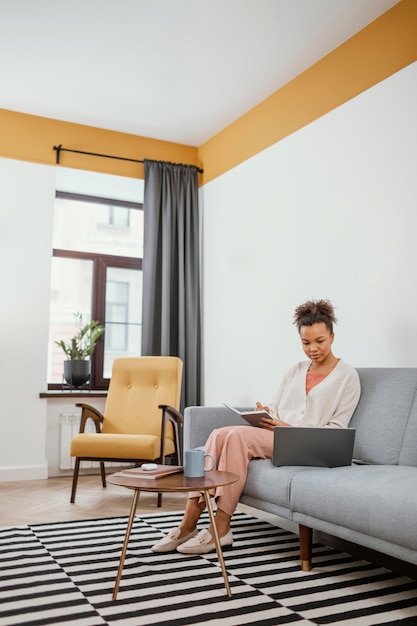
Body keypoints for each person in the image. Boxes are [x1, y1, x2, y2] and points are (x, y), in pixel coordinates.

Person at [152, 299, 361, 555]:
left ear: (332, 336)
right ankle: (189, 522)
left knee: (238, 437)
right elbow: (276, 406)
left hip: (310, 445)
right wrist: (266, 412)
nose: (313, 349)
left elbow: (338, 430)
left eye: (320, 341)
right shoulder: (295, 370)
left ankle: (222, 526)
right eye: (306, 343)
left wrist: (289, 428)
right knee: (219, 434)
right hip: (279, 435)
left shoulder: (347, 376)